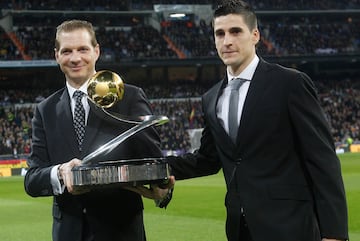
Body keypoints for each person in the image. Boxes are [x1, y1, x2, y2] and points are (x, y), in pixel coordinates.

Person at [165, 1, 349, 241]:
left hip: (291, 226)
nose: (227, 41)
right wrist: (155, 167)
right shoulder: (211, 98)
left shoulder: (290, 83)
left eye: (235, 31)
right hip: (240, 229)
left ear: (255, 35)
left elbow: (322, 159)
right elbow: (207, 160)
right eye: (219, 34)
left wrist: (334, 233)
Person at [24, 19, 173, 241]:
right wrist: (61, 173)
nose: (75, 58)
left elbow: (152, 162)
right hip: (69, 234)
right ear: (56, 55)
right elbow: (33, 179)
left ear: (96, 51)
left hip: (121, 232)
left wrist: (162, 188)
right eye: (67, 51)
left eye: (83, 49)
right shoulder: (45, 110)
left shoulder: (128, 97)